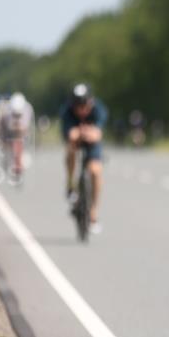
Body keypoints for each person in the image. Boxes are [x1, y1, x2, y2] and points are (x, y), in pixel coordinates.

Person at [60, 84, 108, 234]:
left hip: (92, 142)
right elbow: (68, 134)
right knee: (70, 150)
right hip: (76, 141)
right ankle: (71, 184)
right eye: (77, 106)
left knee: (95, 170)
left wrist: (92, 133)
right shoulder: (67, 111)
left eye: (83, 105)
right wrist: (75, 134)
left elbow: (98, 133)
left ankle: (93, 212)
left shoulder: (98, 109)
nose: (81, 109)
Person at [3, 92, 34, 181]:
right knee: (13, 142)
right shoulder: (8, 111)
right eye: (15, 114)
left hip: (23, 131)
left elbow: (26, 127)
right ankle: (13, 161)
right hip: (10, 130)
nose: (17, 116)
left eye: (18, 114)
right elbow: (7, 127)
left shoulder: (27, 109)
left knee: (19, 141)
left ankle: (19, 164)